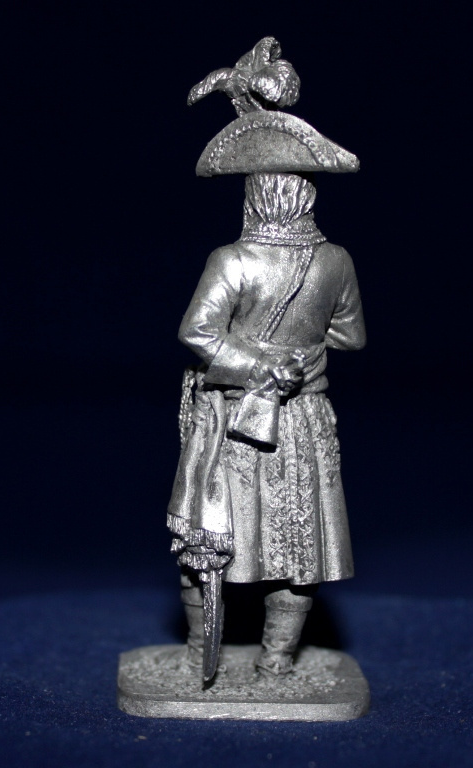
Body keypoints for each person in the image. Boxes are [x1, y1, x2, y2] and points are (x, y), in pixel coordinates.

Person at [168, 162, 365, 677]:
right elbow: (350, 336)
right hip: (303, 420)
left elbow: (197, 332)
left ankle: (198, 654)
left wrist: (257, 362)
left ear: (254, 198)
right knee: (299, 549)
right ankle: (276, 661)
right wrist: (296, 353)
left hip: (235, 418)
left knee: (205, 540)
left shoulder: (232, 259)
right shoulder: (336, 260)